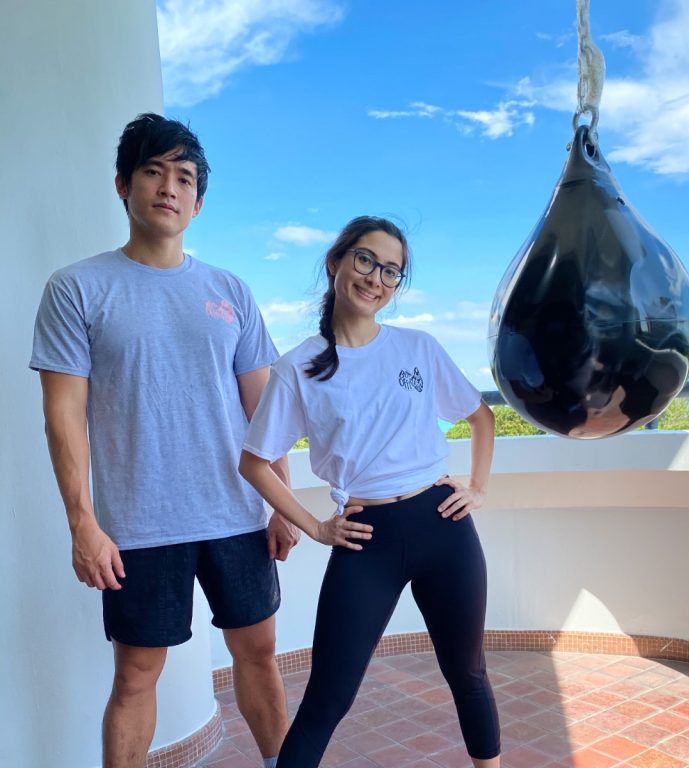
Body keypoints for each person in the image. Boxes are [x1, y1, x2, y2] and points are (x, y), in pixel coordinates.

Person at [29, 113, 298, 768]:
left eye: (183, 177)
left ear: (198, 201)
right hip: (140, 525)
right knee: (135, 676)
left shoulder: (230, 291)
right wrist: (82, 524)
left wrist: (284, 505)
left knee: (258, 657)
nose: (168, 187)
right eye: (154, 171)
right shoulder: (78, 288)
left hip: (237, 514)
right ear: (124, 185)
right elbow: (63, 414)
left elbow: (264, 407)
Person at [239, 216, 501, 767]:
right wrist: (314, 526)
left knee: (469, 673)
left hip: (443, 525)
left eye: (391, 271)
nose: (376, 278)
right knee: (327, 699)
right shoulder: (299, 368)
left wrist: (476, 485)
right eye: (366, 260)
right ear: (336, 261)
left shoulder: (417, 348)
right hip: (366, 539)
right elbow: (255, 462)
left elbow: (481, 416)